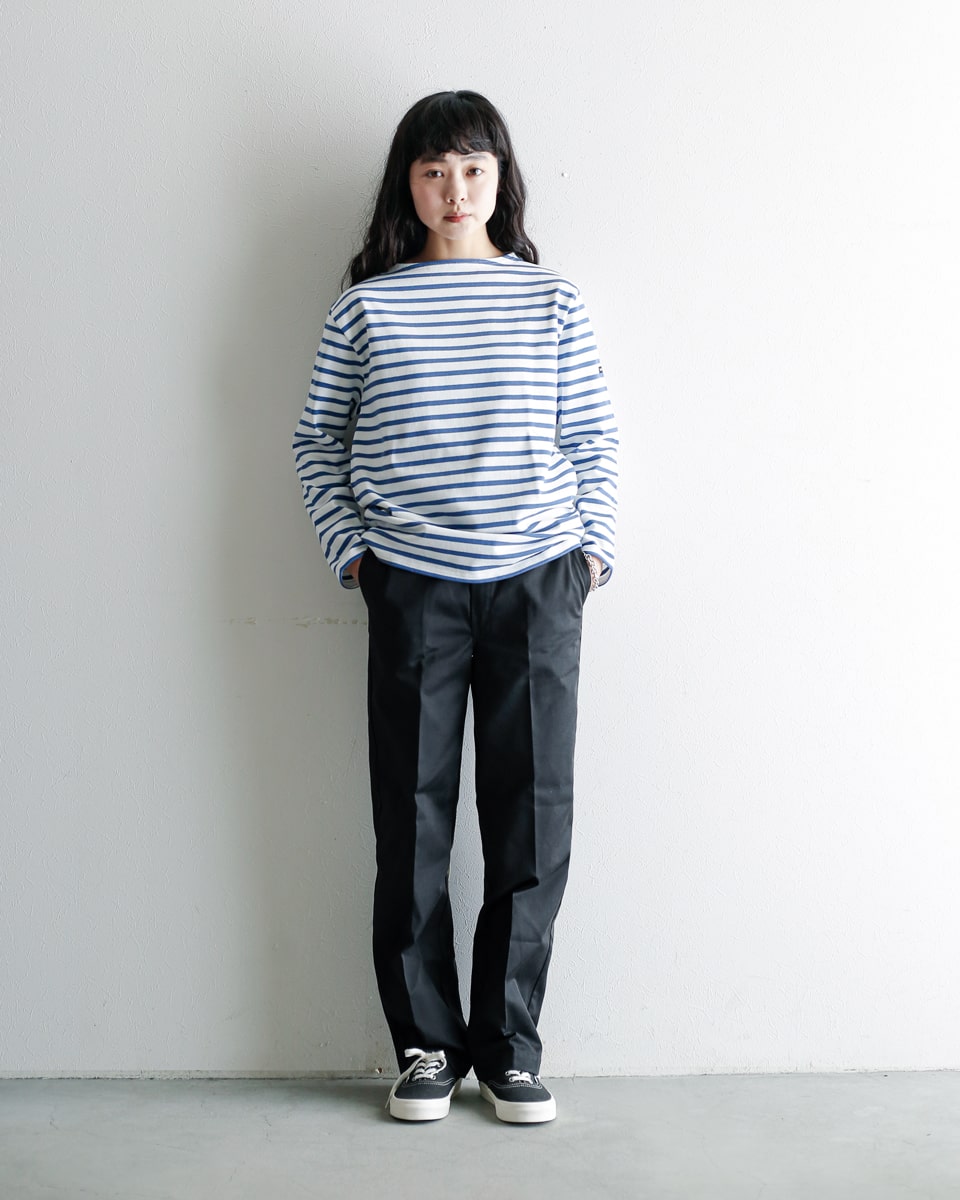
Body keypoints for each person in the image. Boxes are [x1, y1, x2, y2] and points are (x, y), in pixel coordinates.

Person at [292, 90, 618, 1124]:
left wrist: (592, 556)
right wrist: (356, 558)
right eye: (434, 169)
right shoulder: (369, 307)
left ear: (500, 179)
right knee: (413, 821)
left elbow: (594, 438)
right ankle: (426, 1046)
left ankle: (511, 1049)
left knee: (533, 820)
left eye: (473, 167)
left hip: (539, 582)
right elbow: (317, 440)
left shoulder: (550, 300)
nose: (454, 188)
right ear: (409, 184)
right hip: (413, 584)